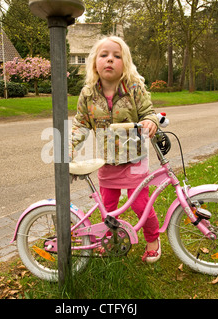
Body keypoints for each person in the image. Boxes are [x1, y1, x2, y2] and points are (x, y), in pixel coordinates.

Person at [69, 36, 161, 263]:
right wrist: (70, 147)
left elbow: (149, 112)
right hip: (107, 161)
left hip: (135, 159)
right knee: (107, 207)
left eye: (116, 56)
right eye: (104, 55)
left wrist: (151, 122)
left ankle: (152, 240)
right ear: (94, 63)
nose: (110, 60)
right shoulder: (88, 94)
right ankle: (109, 239)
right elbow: (80, 123)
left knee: (141, 205)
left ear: (125, 63)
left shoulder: (134, 89)